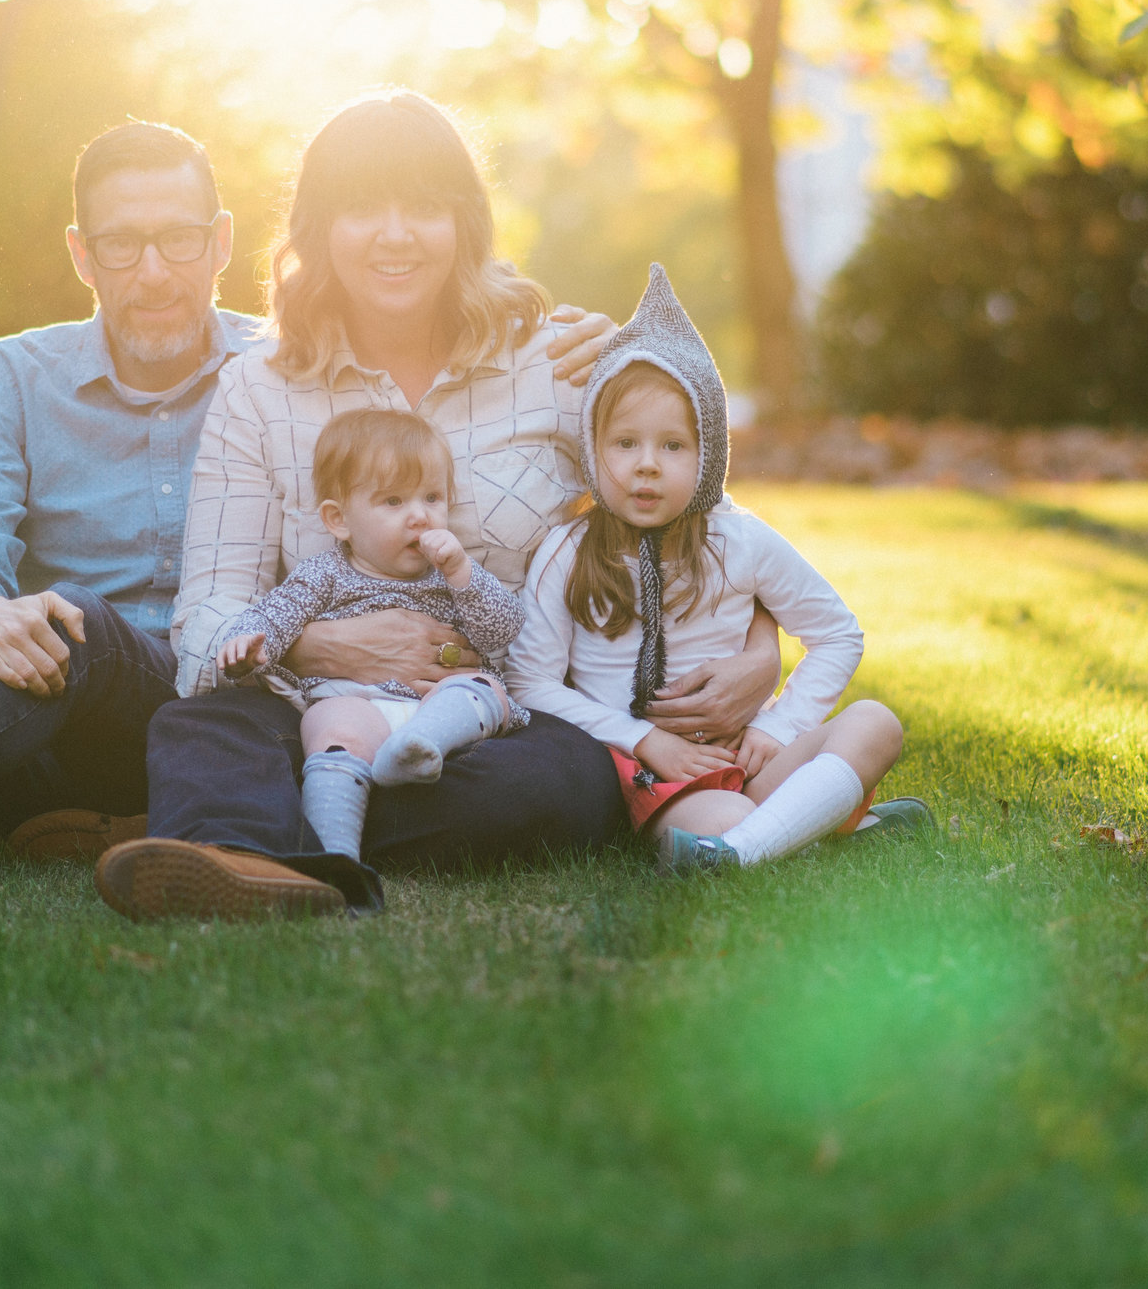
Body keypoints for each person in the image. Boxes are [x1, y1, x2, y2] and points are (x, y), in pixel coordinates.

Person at [0, 117, 615, 906]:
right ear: (83, 254)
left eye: (179, 239)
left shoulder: (271, 362)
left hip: (251, 715)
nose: (152, 270)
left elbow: (665, 470)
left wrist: (628, 356)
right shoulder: (46, 379)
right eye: (122, 243)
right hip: (104, 697)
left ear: (221, 243)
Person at [95, 89, 785, 922]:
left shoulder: (552, 361)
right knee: (199, 724)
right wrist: (313, 646)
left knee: (566, 777)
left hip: (492, 720)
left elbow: (703, 528)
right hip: (316, 709)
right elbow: (210, 605)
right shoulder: (259, 386)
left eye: (423, 206)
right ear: (316, 231)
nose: (394, 234)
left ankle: (287, 827)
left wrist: (760, 650)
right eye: (360, 208)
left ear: (464, 222)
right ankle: (243, 855)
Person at [508, 265, 931, 874]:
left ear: (709, 454)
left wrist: (781, 728)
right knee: (729, 819)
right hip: (655, 773)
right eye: (625, 444)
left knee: (876, 723)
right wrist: (644, 740)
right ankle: (797, 829)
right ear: (592, 448)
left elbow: (837, 634)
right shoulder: (568, 551)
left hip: (752, 758)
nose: (646, 466)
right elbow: (532, 684)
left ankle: (749, 847)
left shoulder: (740, 540)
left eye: (672, 446)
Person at [215, 408, 527, 864]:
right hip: (357, 701)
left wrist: (462, 571)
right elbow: (277, 614)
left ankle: (420, 745)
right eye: (394, 502)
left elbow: (502, 629)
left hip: (442, 707)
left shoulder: (452, 576)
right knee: (333, 730)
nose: (420, 516)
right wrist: (248, 640)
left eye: (433, 497)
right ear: (339, 520)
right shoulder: (325, 573)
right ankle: (335, 859)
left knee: (483, 687)